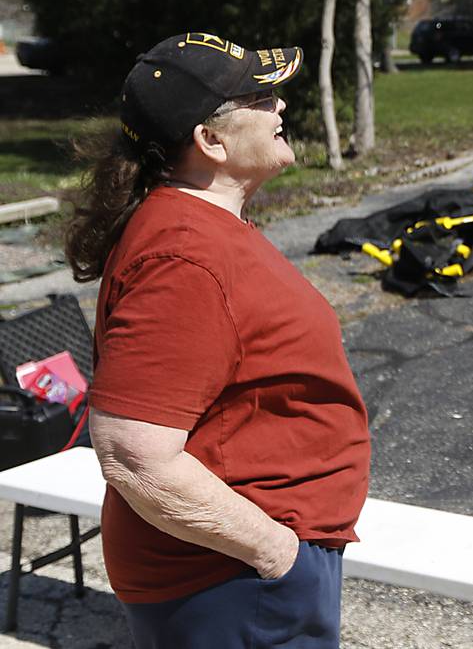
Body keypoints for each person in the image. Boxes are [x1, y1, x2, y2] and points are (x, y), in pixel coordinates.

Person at [66, 33, 370, 649]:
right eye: (260, 97)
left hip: (243, 569)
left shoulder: (201, 226)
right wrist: (277, 552)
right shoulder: (186, 257)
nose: (281, 106)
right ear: (211, 141)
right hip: (231, 579)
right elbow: (134, 453)